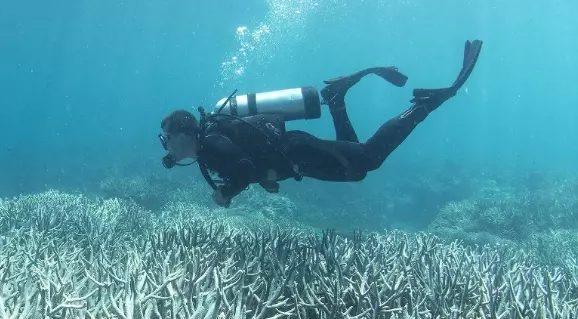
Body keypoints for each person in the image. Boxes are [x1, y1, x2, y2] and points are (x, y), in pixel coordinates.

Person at [159, 40, 483, 207]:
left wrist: (225, 193)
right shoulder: (211, 142)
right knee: (357, 166)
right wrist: (266, 178)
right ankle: (336, 100)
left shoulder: (210, 145)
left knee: (367, 159)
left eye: (166, 138)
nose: (166, 146)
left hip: (298, 152)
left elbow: (242, 169)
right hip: (295, 154)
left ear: (183, 134)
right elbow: (250, 160)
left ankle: (423, 107)